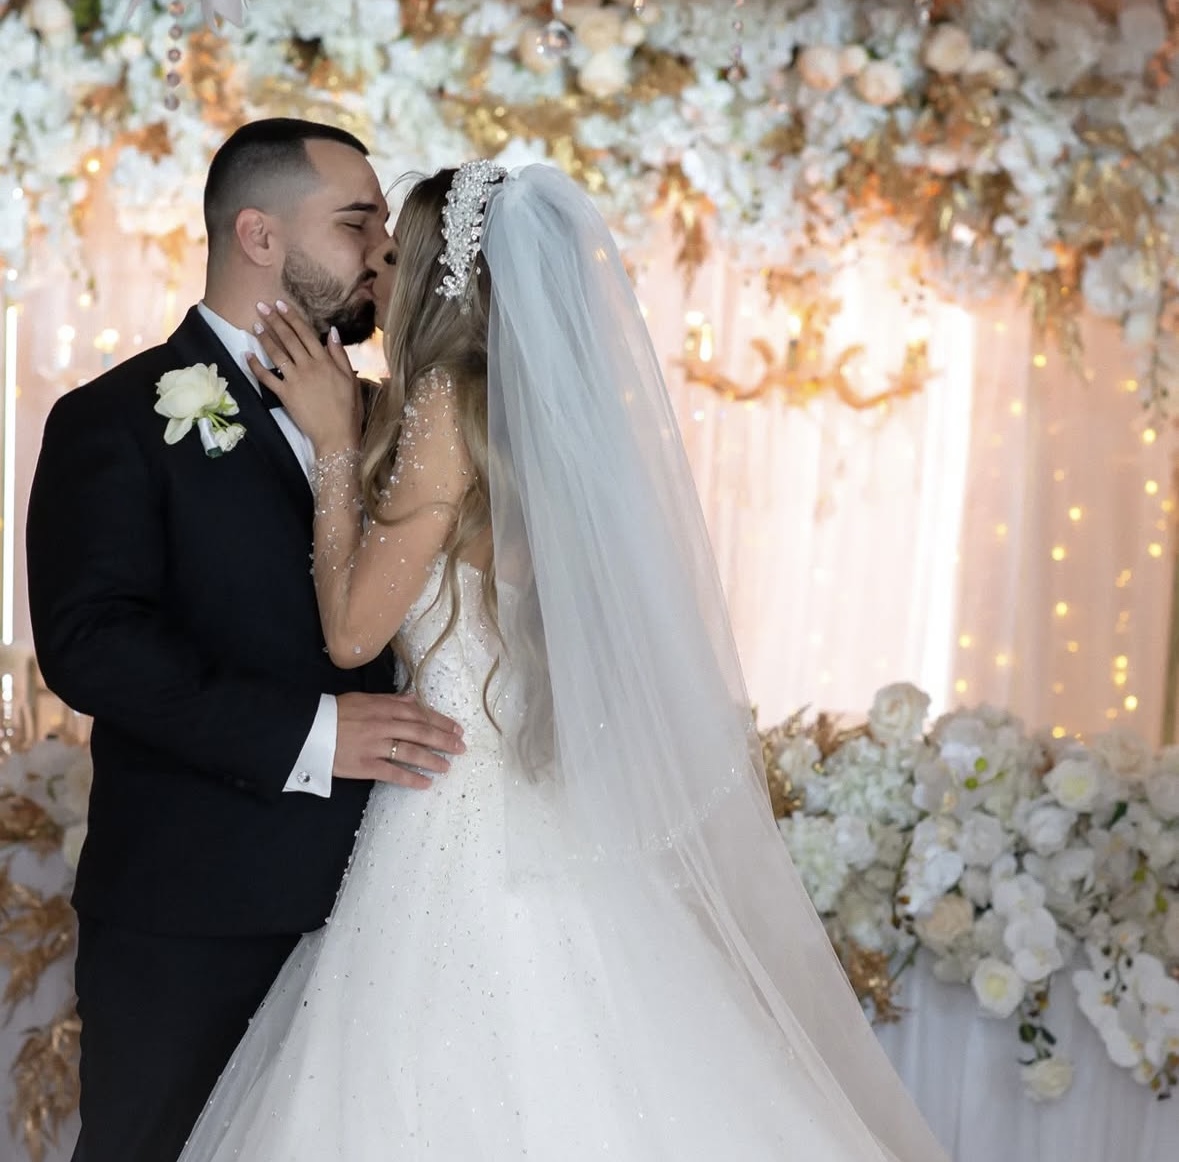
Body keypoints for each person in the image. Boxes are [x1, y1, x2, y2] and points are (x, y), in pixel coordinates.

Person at [179, 161, 950, 1161]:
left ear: (443, 282)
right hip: (534, 801)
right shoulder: (530, 412)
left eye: (396, 255)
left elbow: (353, 635)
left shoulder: (443, 402)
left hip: (450, 813)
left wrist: (333, 448)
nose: (376, 268)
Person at [24, 119, 465, 1162]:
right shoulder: (113, 418)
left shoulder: (408, 420)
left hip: (395, 901)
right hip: (197, 911)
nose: (382, 250)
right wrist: (314, 733)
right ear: (259, 235)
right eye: (357, 221)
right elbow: (92, 644)